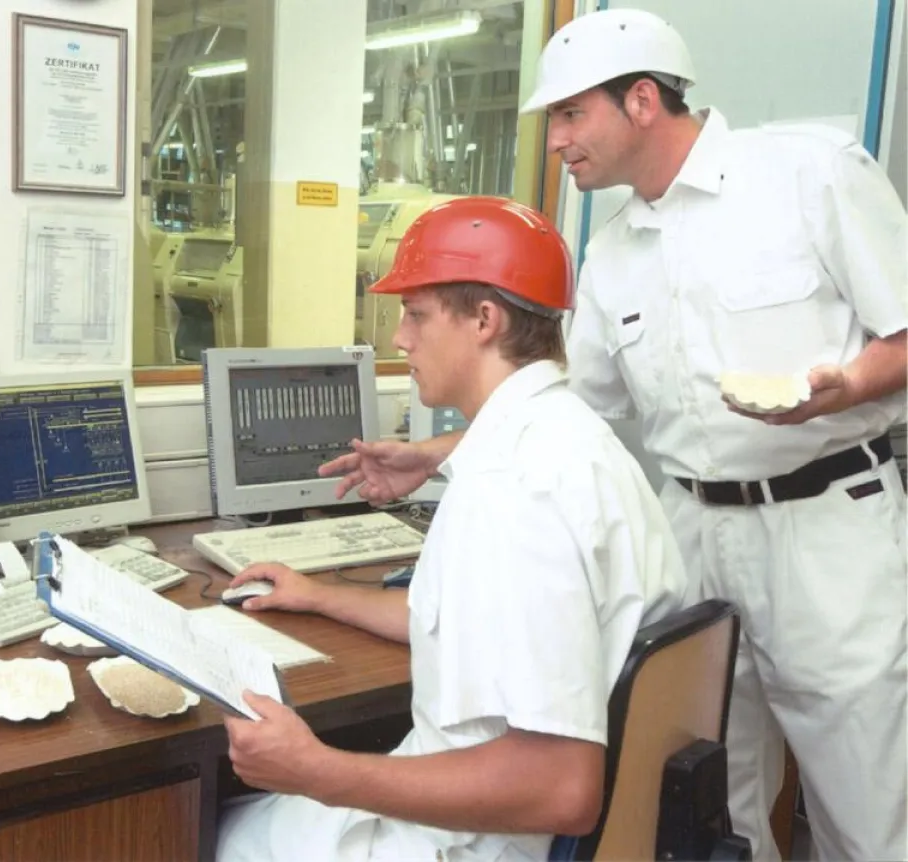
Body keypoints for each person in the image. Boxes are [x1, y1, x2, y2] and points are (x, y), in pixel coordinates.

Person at [320, 9, 908, 861]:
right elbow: (566, 403)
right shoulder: (616, 252)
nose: (557, 141)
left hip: (823, 525)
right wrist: (430, 458)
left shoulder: (810, 176)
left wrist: (845, 388)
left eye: (569, 115)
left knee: (867, 809)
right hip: (695, 533)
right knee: (708, 806)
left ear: (640, 101)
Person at [216, 196, 686, 861]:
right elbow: (474, 626)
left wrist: (319, 771)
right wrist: (318, 595)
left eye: (416, 314)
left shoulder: (514, 491)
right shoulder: (578, 441)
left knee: (204, 826)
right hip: (501, 817)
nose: (400, 337)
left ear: (485, 321)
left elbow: (560, 788)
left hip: (476, 842)